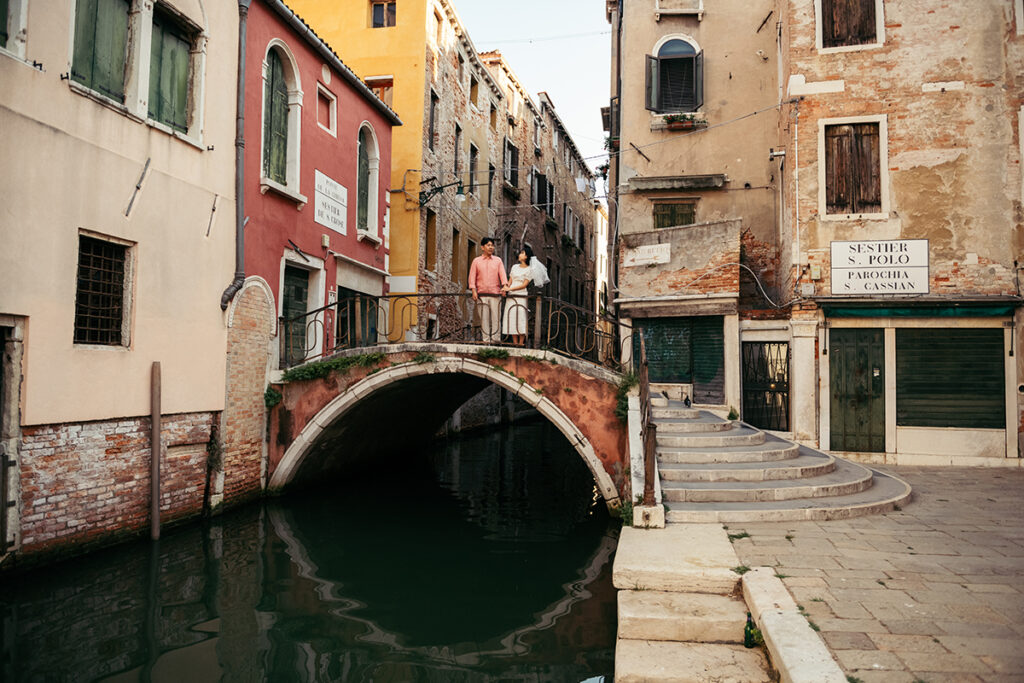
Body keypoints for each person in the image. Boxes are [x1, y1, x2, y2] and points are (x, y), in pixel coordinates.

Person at [467, 236, 507, 343]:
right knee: (484, 319)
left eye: (492, 245)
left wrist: (504, 287)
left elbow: (503, 275)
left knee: (496, 318)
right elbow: (472, 277)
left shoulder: (498, 260)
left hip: (495, 294)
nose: (491, 247)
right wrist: (473, 291)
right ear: (482, 247)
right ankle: (486, 340)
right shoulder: (476, 261)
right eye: (488, 245)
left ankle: (495, 340)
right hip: (482, 295)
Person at [501, 246, 534, 345]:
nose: (519, 254)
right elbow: (509, 281)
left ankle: (521, 343)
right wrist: (505, 288)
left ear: (526, 256)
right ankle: (515, 343)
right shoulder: (514, 267)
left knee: (520, 317)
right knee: (511, 317)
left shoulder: (530, 269)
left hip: (521, 295)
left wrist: (509, 289)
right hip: (511, 295)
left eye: (522, 253)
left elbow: (524, 285)